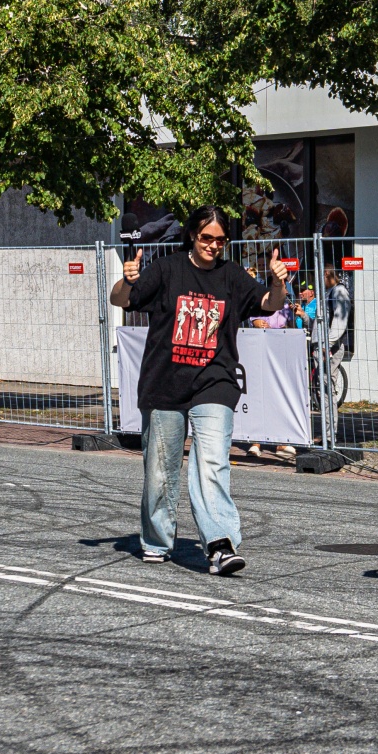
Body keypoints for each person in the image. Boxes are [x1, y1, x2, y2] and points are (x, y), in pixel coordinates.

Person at [109, 206, 286, 574]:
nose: (213, 245)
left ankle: (220, 543)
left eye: (220, 240)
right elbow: (121, 300)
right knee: (160, 470)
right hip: (165, 383)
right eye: (207, 238)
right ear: (192, 235)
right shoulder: (167, 269)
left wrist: (277, 282)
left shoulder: (232, 276)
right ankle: (157, 540)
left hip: (214, 383)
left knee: (212, 464)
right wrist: (126, 279)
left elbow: (269, 305)